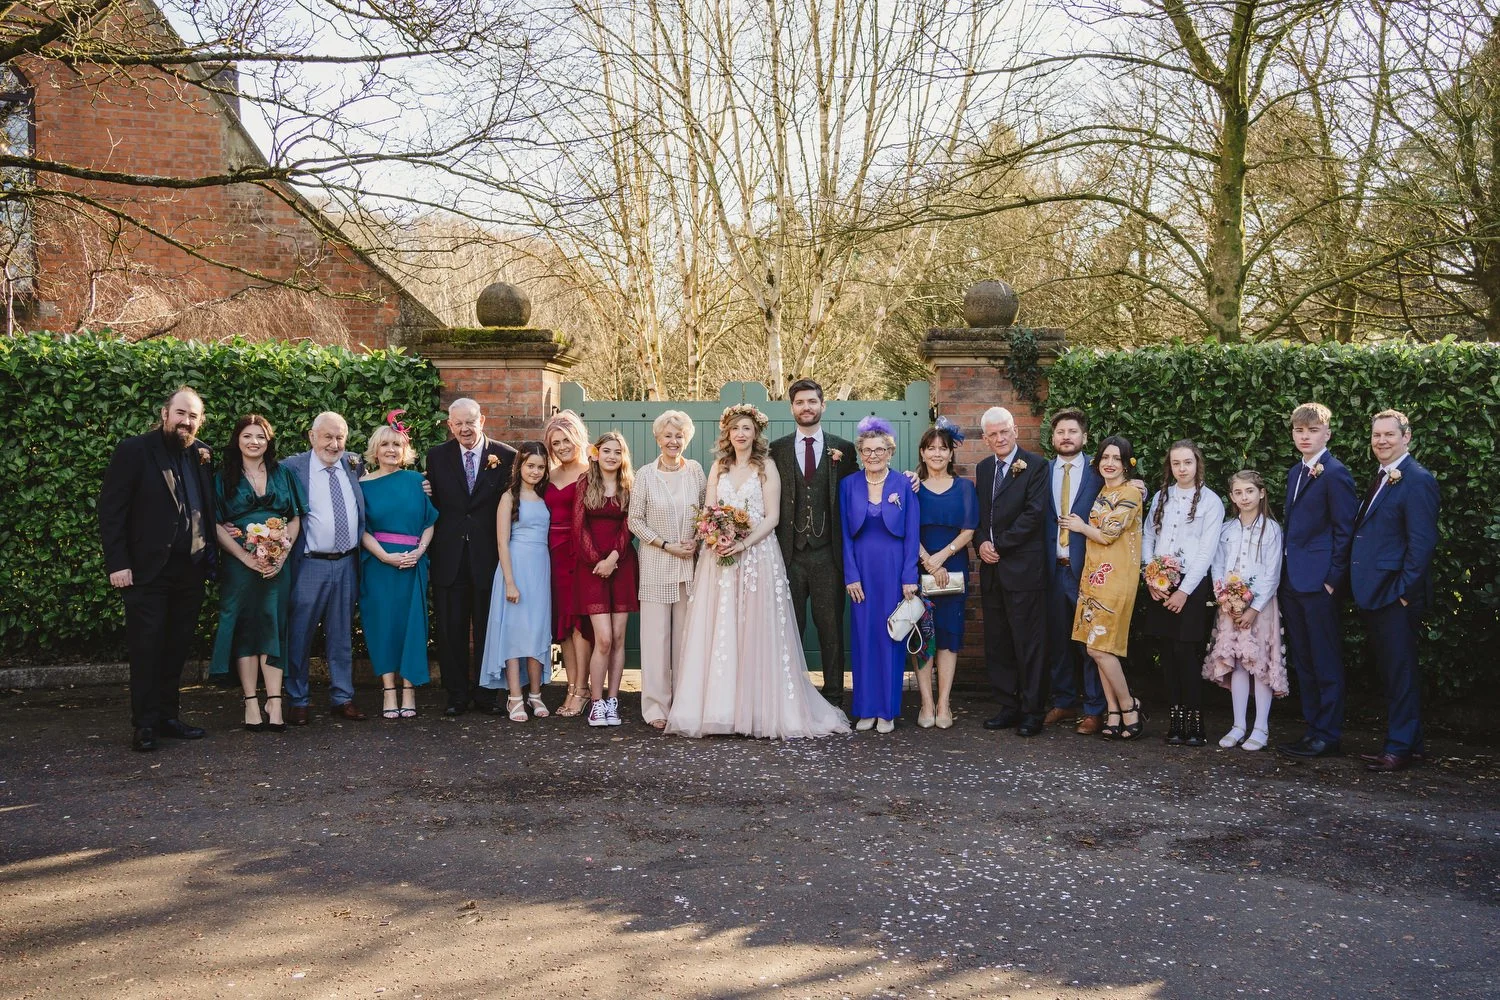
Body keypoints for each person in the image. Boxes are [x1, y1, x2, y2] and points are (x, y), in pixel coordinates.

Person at [667, 404, 850, 738]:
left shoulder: (767, 466)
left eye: (747, 428)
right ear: (727, 433)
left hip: (756, 555)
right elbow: (709, 508)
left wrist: (743, 543)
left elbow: (773, 517)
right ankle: (721, 710)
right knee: (722, 627)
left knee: (755, 630)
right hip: (719, 557)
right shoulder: (718, 468)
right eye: (735, 428)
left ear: (755, 434)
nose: (741, 434)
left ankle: (759, 709)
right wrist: (711, 535)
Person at [98, 387, 215, 751]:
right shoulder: (134, 450)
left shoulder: (200, 455)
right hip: (147, 571)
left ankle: (168, 717)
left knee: (176, 648)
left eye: (194, 416)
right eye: (181, 413)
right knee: (147, 648)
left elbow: (205, 508)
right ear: (165, 413)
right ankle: (145, 725)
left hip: (190, 570)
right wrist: (118, 563)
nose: (187, 421)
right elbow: (111, 510)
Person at [1349, 409, 1440, 773]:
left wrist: (1403, 592)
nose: (1381, 441)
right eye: (1376, 435)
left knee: (1400, 672)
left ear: (1407, 437)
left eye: (1389, 435)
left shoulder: (1417, 479)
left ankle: (1399, 747)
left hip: (1395, 596)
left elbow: (1422, 544)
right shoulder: (1383, 477)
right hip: (1376, 591)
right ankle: (1412, 744)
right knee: (1392, 670)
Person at [209, 414, 305, 732]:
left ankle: (275, 701)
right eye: (248, 436)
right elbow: (215, 524)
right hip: (240, 565)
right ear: (237, 440)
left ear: (269, 441)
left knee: (273, 624)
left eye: (260, 437)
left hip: (278, 563)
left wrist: (282, 553)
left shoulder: (283, 474)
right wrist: (244, 558)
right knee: (246, 627)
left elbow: (293, 518)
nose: (254, 442)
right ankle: (251, 701)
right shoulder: (223, 477)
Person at [770, 378, 860, 704]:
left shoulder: (844, 449)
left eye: (812, 402)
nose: (806, 407)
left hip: (827, 555)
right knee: (788, 629)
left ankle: (834, 695)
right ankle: (790, 696)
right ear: (791, 407)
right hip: (788, 554)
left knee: (830, 628)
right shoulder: (775, 450)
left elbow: (860, 493)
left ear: (823, 406)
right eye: (800, 402)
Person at [1277, 402, 1358, 760]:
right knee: (1304, 659)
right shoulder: (1296, 472)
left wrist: (1332, 580)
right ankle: (1312, 729)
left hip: (1319, 584)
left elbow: (1345, 531)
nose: (1305, 436)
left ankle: (1329, 733)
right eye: (1299, 431)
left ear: (1327, 433)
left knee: (1325, 660)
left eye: (1312, 431)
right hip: (1293, 581)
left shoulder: (1336, 473)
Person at [425, 398, 516, 717]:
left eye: (470, 421)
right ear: (450, 425)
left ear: (483, 420)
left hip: (488, 556)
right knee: (451, 630)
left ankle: (487, 692)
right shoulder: (436, 457)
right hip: (448, 555)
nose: (465, 428)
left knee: (488, 627)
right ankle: (456, 695)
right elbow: (432, 500)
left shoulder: (506, 456)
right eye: (458, 423)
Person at [284, 411, 367, 723]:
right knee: (299, 634)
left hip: (347, 563)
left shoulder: (355, 465)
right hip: (309, 564)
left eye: (340, 437)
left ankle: (342, 698)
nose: (334, 444)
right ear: (312, 436)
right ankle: (298, 699)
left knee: (342, 635)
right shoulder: (293, 468)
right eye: (328, 436)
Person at [1140, 440, 1225, 747]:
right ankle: (1175, 719)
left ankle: (1195, 720)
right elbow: (1148, 534)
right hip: (1160, 584)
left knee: (1187, 653)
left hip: (1191, 584)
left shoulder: (1210, 502)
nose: (1182, 468)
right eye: (1176, 463)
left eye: (1187, 462)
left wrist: (1185, 591)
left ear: (1197, 463)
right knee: (1168, 654)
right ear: (1170, 466)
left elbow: (1207, 551)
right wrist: (1150, 575)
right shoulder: (1163, 496)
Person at [840, 417, 921, 733]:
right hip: (861, 572)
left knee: (891, 637)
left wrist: (909, 575)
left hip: (893, 570)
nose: (873, 455)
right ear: (860, 452)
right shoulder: (848, 485)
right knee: (863, 639)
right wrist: (851, 575)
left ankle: (886, 711)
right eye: (867, 450)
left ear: (890, 452)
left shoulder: (903, 484)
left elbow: (912, 533)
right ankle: (865, 709)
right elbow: (845, 535)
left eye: (880, 449)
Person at [974, 406, 1050, 737]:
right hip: (991, 570)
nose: (1000, 438)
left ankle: (1033, 711)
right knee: (999, 642)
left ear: (1015, 430)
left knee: (1028, 643)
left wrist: (999, 544)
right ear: (985, 439)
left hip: (1024, 569)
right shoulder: (983, 468)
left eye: (1004, 431)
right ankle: (1008, 706)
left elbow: (1034, 515)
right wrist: (980, 543)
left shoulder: (1036, 466)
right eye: (993, 434)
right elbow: (980, 515)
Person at [627, 411, 707, 729]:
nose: (674, 441)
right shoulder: (645, 474)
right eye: (668, 435)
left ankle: (684, 704)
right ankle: (656, 707)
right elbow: (635, 520)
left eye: (679, 436)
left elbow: (705, 511)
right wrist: (663, 544)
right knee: (655, 640)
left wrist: (697, 540)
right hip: (657, 565)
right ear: (658, 438)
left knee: (685, 640)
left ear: (686, 439)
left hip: (689, 565)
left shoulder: (696, 471)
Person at [1065, 436, 1146, 739]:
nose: (1110, 463)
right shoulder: (1102, 491)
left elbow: (1108, 533)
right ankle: (1112, 711)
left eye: (1117, 458)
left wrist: (1081, 527)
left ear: (1127, 463)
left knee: (1101, 647)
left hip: (1116, 578)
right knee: (1094, 647)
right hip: (1092, 578)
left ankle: (1129, 705)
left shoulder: (1130, 493)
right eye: (1105, 458)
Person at [358, 417, 438, 721]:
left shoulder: (418, 481)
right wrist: (384, 557)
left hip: (413, 564)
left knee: (412, 626)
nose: (391, 450)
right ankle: (388, 689)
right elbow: (361, 529)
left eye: (397, 444)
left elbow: (429, 521)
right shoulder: (362, 486)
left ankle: (409, 689)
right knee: (382, 626)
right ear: (375, 450)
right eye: (385, 445)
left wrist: (419, 551)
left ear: (405, 449)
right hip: (379, 565)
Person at [1203, 470, 1286, 751]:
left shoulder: (1272, 529)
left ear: (1261, 493)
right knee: (1236, 662)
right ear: (1232, 497)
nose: (1244, 497)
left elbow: (1272, 573)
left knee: (1258, 664)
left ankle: (1260, 727)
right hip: (1230, 608)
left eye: (1249, 491)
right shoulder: (1227, 529)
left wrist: (1253, 607)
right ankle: (1238, 725)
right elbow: (1217, 565)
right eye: (1238, 493)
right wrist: (1224, 599)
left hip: (1260, 609)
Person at [1042, 408, 1108, 735]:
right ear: (1052, 438)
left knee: (1088, 643)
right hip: (1052, 570)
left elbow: (1125, 495)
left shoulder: (1099, 474)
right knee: (1057, 640)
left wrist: (1140, 485)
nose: (1066, 437)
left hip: (1086, 571)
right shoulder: (1041, 471)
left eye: (1072, 431)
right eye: (1060, 432)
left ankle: (1095, 708)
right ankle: (1064, 701)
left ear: (1084, 437)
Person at [479, 442, 554, 722]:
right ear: (519, 466)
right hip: (515, 568)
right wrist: (510, 582)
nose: (535, 471)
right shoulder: (509, 497)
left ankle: (535, 694)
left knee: (536, 631)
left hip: (540, 569)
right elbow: (502, 542)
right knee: (513, 633)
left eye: (540, 467)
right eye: (530, 465)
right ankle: (514, 697)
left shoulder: (545, 496)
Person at [911, 418, 977, 729]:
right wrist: (926, 559)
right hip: (919, 565)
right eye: (931, 448)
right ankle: (925, 702)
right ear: (922, 453)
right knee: (923, 636)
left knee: (949, 637)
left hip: (953, 566)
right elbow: (906, 529)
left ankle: (943, 703)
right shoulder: (911, 487)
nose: (937, 453)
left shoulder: (964, 487)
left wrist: (942, 557)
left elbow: (969, 530)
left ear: (951, 454)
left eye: (943, 448)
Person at [575, 431, 640, 727]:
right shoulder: (584, 483)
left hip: (622, 564)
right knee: (601, 639)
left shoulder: (630, 486)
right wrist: (597, 561)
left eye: (618, 451)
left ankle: (613, 701)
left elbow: (630, 525)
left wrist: (613, 558)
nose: (612, 456)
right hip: (591, 568)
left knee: (617, 638)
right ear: (596, 453)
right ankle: (596, 702)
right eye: (607, 451)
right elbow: (578, 527)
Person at [543, 410, 594, 717]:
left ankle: (582, 689)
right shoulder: (547, 475)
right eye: (555, 442)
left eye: (566, 440)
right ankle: (571, 686)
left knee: (581, 624)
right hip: (554, 553)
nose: (561, 447)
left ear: (578, 437)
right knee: (564, 625)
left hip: (583, 553)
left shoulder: (593, 471)